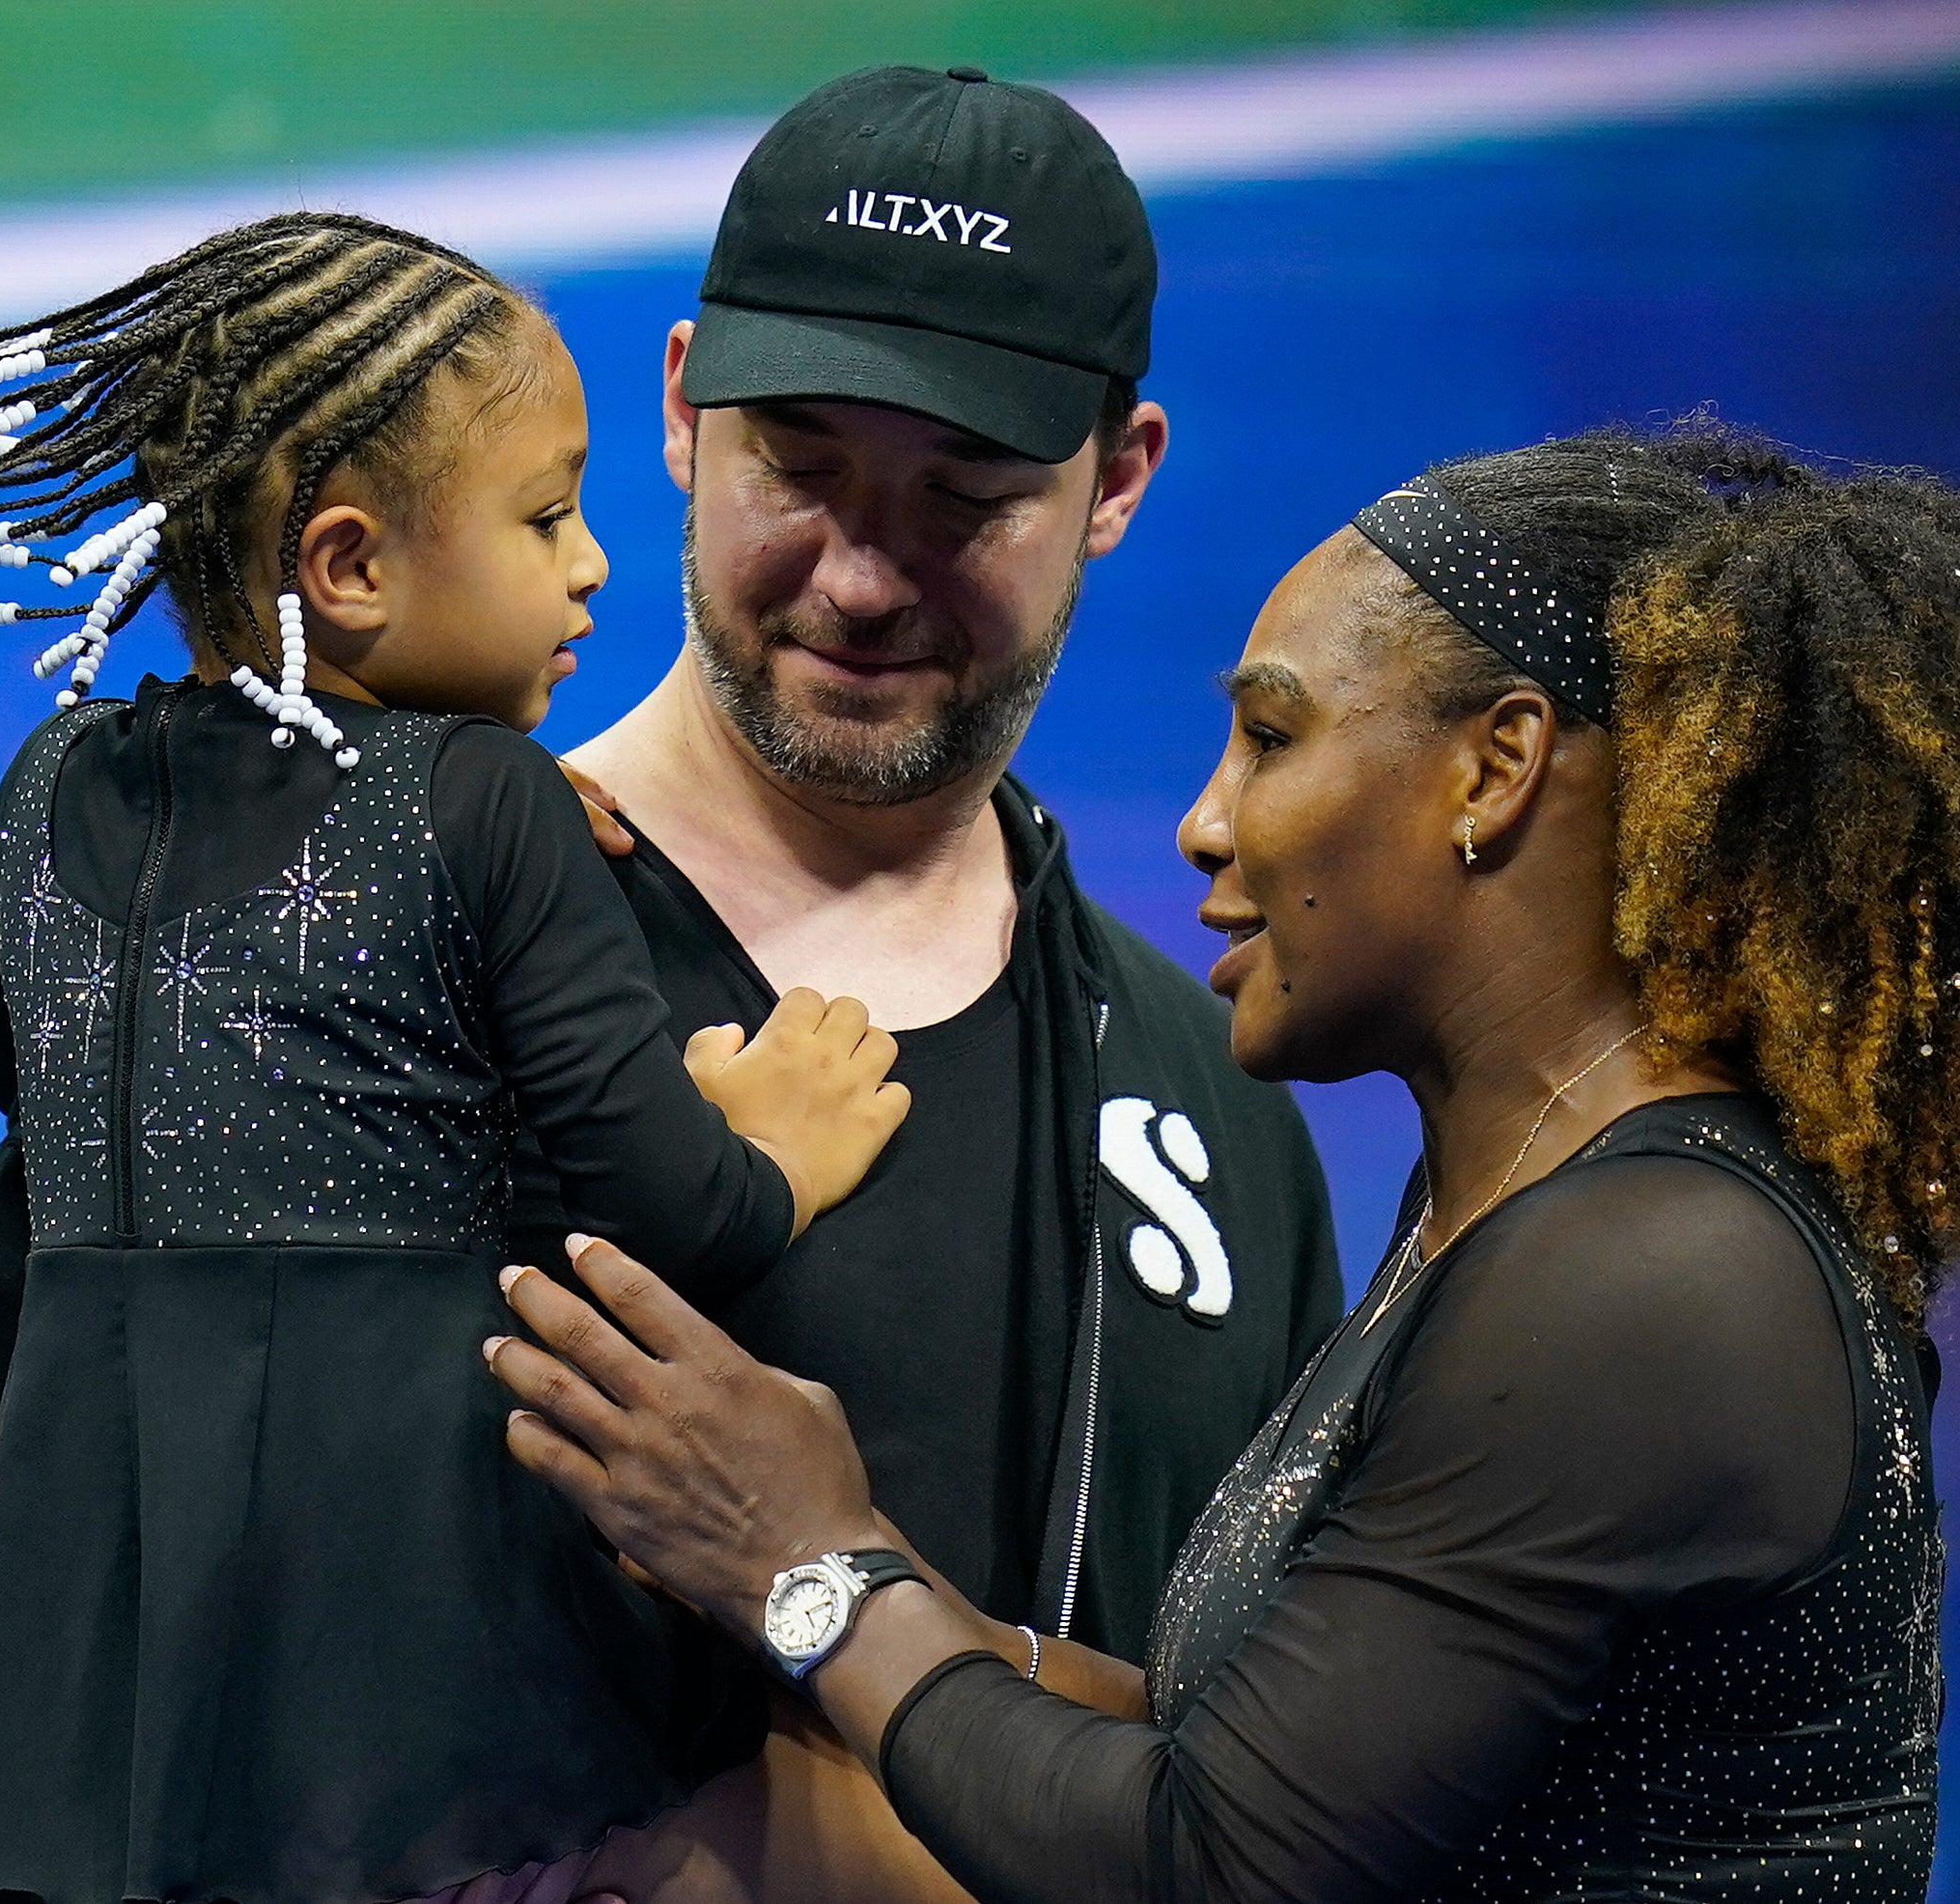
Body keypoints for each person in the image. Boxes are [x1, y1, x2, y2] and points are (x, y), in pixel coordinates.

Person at [488, 421, 1960, 1902]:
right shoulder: (1530, 1208)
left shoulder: (1649, 1276)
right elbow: (1239, 1741)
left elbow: (1214, 1862)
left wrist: (807, 1563)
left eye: (1274, 733)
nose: (1205, 821)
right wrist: (850, 1589)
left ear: (1497, 768)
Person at [0, 213, 911, 1904]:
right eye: (548, 515)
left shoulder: (52, 781)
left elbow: (25, 1074)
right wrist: (769, 1143)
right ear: (348, 566)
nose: (590, 568)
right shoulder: (487, 802)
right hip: (402, 1667)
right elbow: (670, 1214)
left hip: (76, 1679)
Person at [502, 67, 1344, 1892]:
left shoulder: (1220, 1107)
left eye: (965, 496)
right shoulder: (376, 942)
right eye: (799, 471)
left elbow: (1275, 1787)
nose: (865, 578)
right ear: (677, 411)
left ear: (1116, 483)